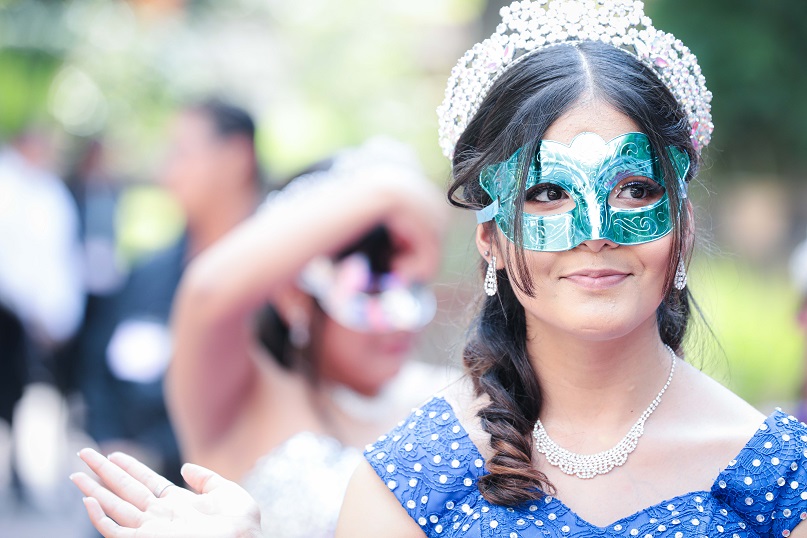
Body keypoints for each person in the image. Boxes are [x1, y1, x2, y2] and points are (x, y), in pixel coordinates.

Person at [70, 1, 807, 537]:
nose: (596, 232)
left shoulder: (777, 476)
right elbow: (209, 296)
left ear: (680, 221)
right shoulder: (411, 476)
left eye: (637, 190)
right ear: (487, 237)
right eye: (547, 192)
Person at [73, 138, 453, 537]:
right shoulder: (242, 400)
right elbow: (208, 292)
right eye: (370, 293)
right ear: (295, 296)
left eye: (414, 290)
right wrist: (393, 191)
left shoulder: (444, 395)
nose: (401, 322)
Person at [78, 99, 262, 485]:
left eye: (181, 154)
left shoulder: (279, 285)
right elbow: (96, 363)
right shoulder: (149, 274)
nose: (166, 173)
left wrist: (161, 454)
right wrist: (113, 444)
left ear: (236, 157)